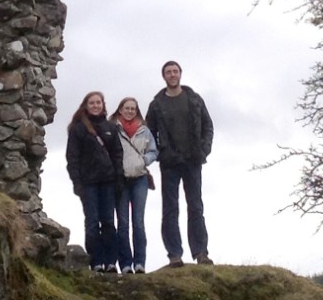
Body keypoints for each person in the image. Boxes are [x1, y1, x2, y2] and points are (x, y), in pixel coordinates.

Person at [145, 60, 214, 266]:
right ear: (164, 76)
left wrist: (204, 150)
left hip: (193, 160)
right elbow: (149, 134)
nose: (172, 75)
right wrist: (161, 154)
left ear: (180, 74)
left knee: (195, 207)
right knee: (170, 209)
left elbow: (208, 126)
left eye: (175, 71)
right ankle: (174, 254)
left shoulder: (194, 99)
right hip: (169, 164)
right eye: (168, 72)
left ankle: (201, 253)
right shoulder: (156, 104)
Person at [65, 90, 124, 273]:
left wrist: (119, 179)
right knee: (92, 223)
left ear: (103, 105)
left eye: (98, 102)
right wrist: (77, 183)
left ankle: (111, 262)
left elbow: (117, 155)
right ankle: (96, 261)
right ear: (86, 105)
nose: (96, 105)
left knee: (108, 222)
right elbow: (72, 158)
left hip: (108, 181)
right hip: (88, 183)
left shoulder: (110, 127)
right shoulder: (78, 129)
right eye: (92, 103)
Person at [110, 96, 158, 275]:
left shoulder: (144, 131)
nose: (130, 111)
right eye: (126, 108)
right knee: (122, 223)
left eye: (133, 108)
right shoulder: (114, 129)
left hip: (140, 179)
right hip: (121, 180)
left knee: (138, 222)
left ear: (137, 111)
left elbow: (154, 150)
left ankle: (140, 263)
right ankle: (125, 264)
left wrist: (144, 160)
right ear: (120, 110)